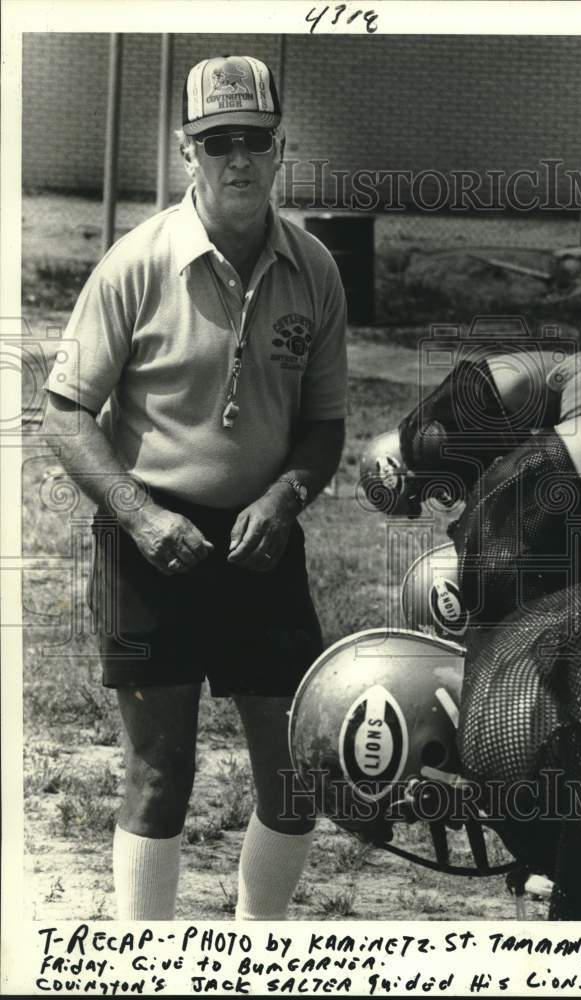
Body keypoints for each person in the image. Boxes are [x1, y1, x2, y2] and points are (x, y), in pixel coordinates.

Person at [43, 55, 348, 920]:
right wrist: (139, 516)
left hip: (263, 540)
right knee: (159, 773)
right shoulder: (136, 263)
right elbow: (64, 412)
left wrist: (286, 495)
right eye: (218, 142)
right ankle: (150, 962)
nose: (238, 160)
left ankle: (261, 944)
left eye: (254, 139)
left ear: (280, 147)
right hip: (151, 543)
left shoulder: (315, 269)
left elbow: (324, 424)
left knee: (296, 767)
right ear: (187, 152)